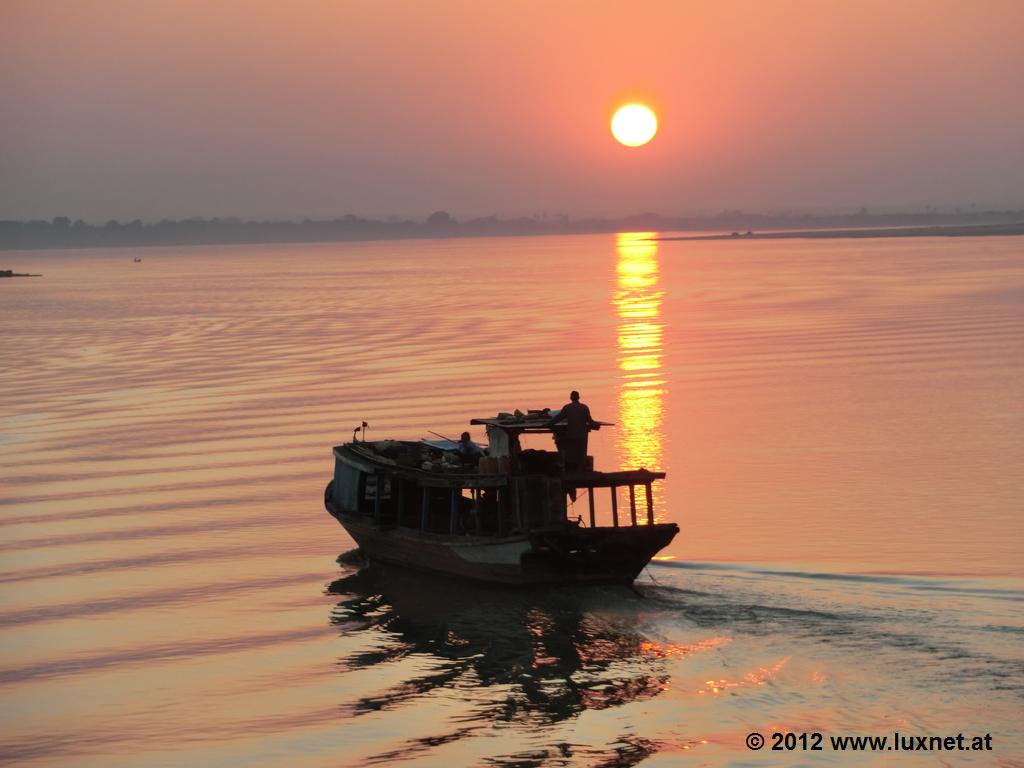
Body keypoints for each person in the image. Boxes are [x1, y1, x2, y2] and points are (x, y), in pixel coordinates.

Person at [545, 390, 600, 472]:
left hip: (571, 436)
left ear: (571, 398)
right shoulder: (584, 407)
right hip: (582, 437)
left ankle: (563, 463)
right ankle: (581, 466)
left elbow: (558, 418)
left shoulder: (567, 407)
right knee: (581, 448)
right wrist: (596, 425)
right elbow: (590, 421)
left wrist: (548, 424)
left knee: (559, 442)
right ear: (579, 398)